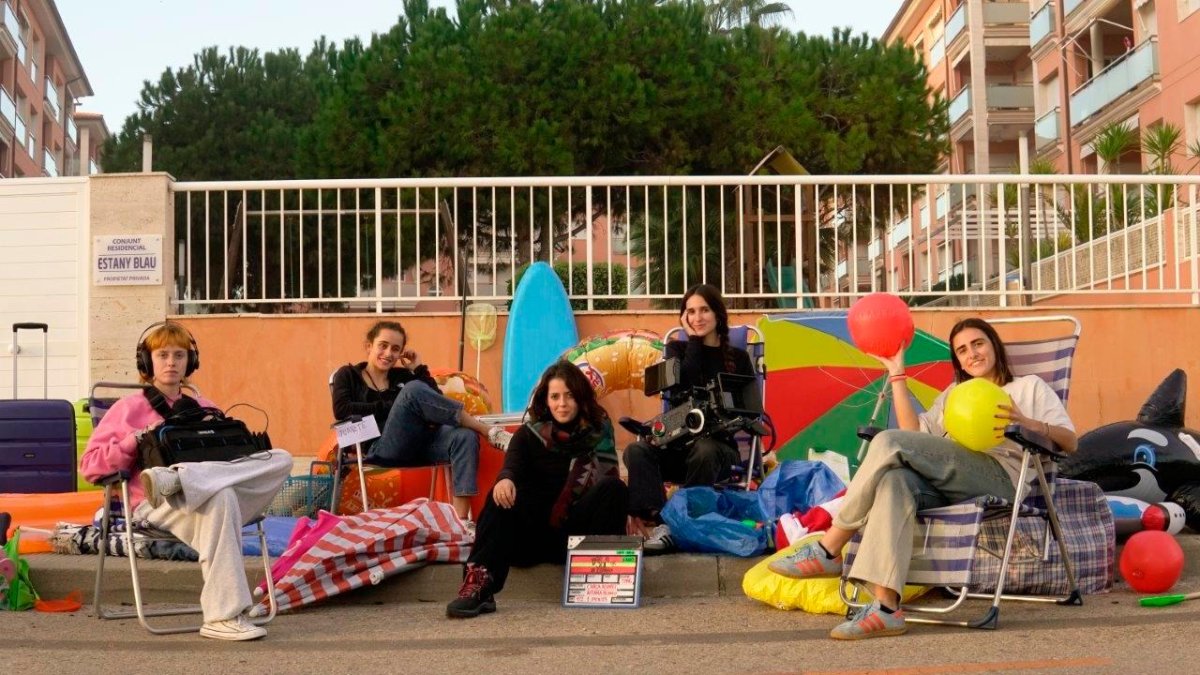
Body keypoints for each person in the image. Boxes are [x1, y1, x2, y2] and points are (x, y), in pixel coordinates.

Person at [769, 317, 1077, 640]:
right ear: (956, 360)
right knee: (894, 481)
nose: (971, 353)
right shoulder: (954, 395)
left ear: (994, 346)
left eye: (978, 344)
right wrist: (897, 375)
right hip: (950, 481)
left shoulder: (1029, 388)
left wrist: (1028, 423)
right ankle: (886, 609)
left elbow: (1070, 441)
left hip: (999, 478)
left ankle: (829, 546)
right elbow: (912, 434)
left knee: (887, 442)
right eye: (961, 350)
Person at [80, 322, 293, 642]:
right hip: (157, 503)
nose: (171, 362)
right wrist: (131, 442)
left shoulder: (207, 408)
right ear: (146, 362)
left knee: (281, 458)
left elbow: (233, 460)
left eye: (179, 355)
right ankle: (222, 617)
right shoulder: (127, 409)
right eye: (162, 354)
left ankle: (179, 477)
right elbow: (90, 467)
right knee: (222, 499)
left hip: (209, 495)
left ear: (190, 362)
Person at [446, 360, 629, 618]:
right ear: (546, 399)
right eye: (555, 396)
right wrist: (506, 479)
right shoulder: (529, 434)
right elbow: (511, 467)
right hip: (531, 539)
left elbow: (608, 490)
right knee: (502, 493)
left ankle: (605, 578)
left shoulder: (599, 433)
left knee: (614, 488)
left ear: (581, 397)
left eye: (569, 396)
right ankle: (480, 586)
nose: (562, 403)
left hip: (577, 538)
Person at [330, 320, 512, 524]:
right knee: (412, 391)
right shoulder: (348, 375)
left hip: (421, 445)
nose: (389, 353)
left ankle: (460, 522)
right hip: (381, 447)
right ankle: (488, 431)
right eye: (383, 345)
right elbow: (342, 410)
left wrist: (418, 369)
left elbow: (435, 399)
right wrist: (393, 404)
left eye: (396, 349)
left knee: (464, 435)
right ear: (369, 346)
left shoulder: (403, 376)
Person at [623, 283, 755, 553]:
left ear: (718, 313)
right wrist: (693, 340)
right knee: (636, 450)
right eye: (690, 312)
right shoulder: (676, 350)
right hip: (679, 448)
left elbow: (752, 410)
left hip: (718, 452)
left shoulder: (739, 358)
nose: (697, 317)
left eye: (704, 310)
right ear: (684, 317)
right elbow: (680, 386)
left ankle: (683, 523)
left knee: (705, 449)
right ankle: (664, 523)